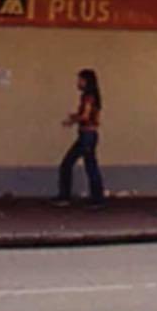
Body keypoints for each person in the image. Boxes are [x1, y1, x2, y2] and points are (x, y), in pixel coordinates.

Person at [55, 68, 105, 207]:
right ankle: (97, 198)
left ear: (86, 81)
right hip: (90, 134)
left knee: (68, 164)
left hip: (86, 134)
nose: (78, 83)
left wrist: (72, 119)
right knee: (90, 166)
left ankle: (65, 196)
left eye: (80, 80)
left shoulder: (88, 97)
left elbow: (85, 116)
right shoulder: (94, 96)